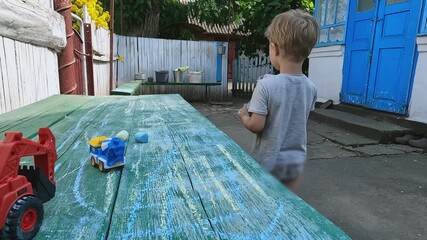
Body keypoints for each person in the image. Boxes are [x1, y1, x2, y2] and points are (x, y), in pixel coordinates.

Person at [238, 9, 318, 191]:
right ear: (308, 52)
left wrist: (244, 116)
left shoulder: (266, 84)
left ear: (274, 49)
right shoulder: (311, 87)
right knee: (286, 201)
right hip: (295, 161)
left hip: (268, 160)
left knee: (265, 201)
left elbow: (256, 125)